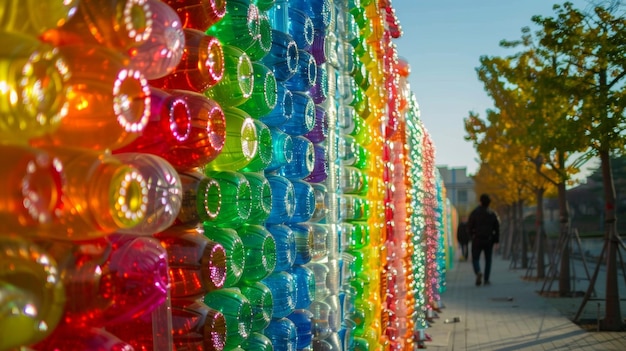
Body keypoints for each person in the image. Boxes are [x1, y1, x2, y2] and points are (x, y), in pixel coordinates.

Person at [467, 194, 500, 286]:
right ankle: (486, 279)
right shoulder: (492, 213)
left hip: (477, 239)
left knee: (475, 258)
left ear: (480, 202)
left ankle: (478, 272)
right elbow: (496, 228)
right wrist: (497, 240)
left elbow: (469, 226)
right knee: (488, 260)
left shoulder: (474, 213)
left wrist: (471, 236)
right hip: (489, 240)